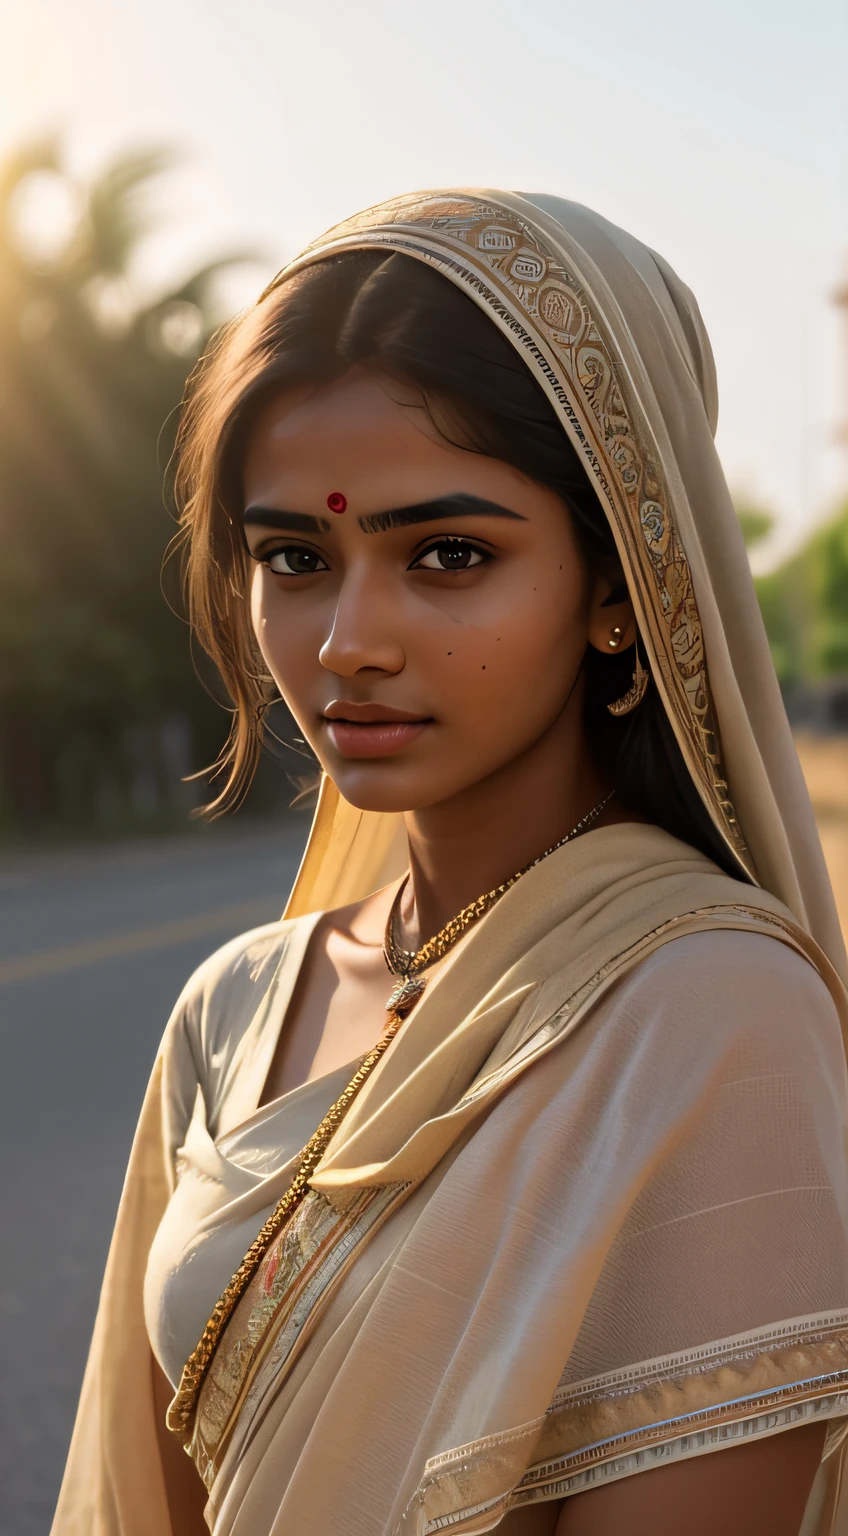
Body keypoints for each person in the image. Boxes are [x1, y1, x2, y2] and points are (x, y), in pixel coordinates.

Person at [51, 190, 848, 1536]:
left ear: (618, 586)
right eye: (295, 556)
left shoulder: (710, 1014)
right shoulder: (234, 1010)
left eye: (448, 555)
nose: (349, 640)